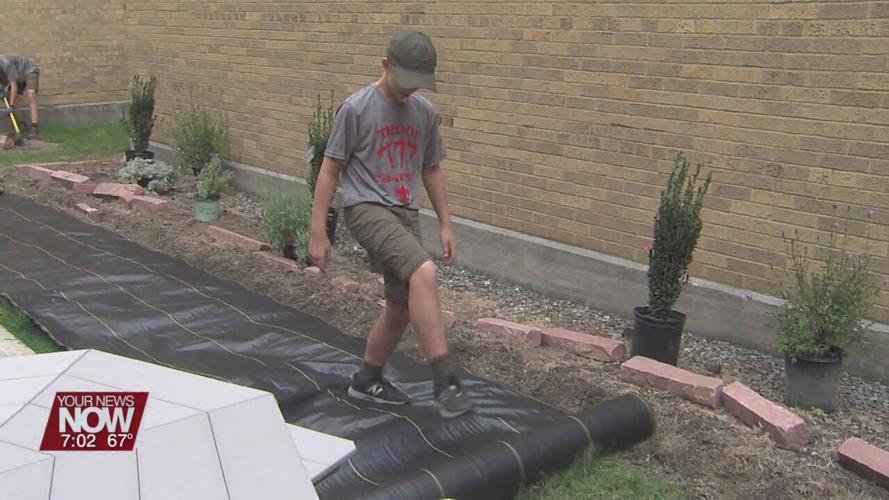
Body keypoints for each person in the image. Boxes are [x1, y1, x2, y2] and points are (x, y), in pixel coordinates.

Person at [309, 30, 474, 418]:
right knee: (424, 270)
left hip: (404, 211)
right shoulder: (356, 108)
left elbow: (432, 169)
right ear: (386, 66)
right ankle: (445, 377)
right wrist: (320, 228)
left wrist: (446, 224)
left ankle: (366, 379)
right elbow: (330, 170)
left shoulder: (424, 113)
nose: (411, 91)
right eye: (406, 82)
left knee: (401, 308)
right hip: (365, 207)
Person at [0, 54, 40, 139]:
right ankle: (22, 125)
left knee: (31, 93)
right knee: (11, 97)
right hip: (18, 75)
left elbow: (14, 86)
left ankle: (34, 126)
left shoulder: (6, 64)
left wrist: (11, 106)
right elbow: (6, 85)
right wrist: (3, 92)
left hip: (30, 70)